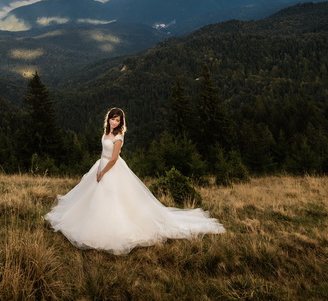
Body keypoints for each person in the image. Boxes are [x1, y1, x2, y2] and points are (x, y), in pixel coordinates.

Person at [44, 107, 224, 255]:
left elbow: (114, 159)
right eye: (112, 119)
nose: (114, 122)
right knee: (90, 196)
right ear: (108, 119)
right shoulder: (107, 133)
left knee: (113, 198)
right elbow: (103, 153)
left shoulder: (118, 137)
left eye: (117, 120)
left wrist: (103, 173)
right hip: (101, 166)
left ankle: (111, 230)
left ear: (121, 123)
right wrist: (98, 168)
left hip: (112, 169)